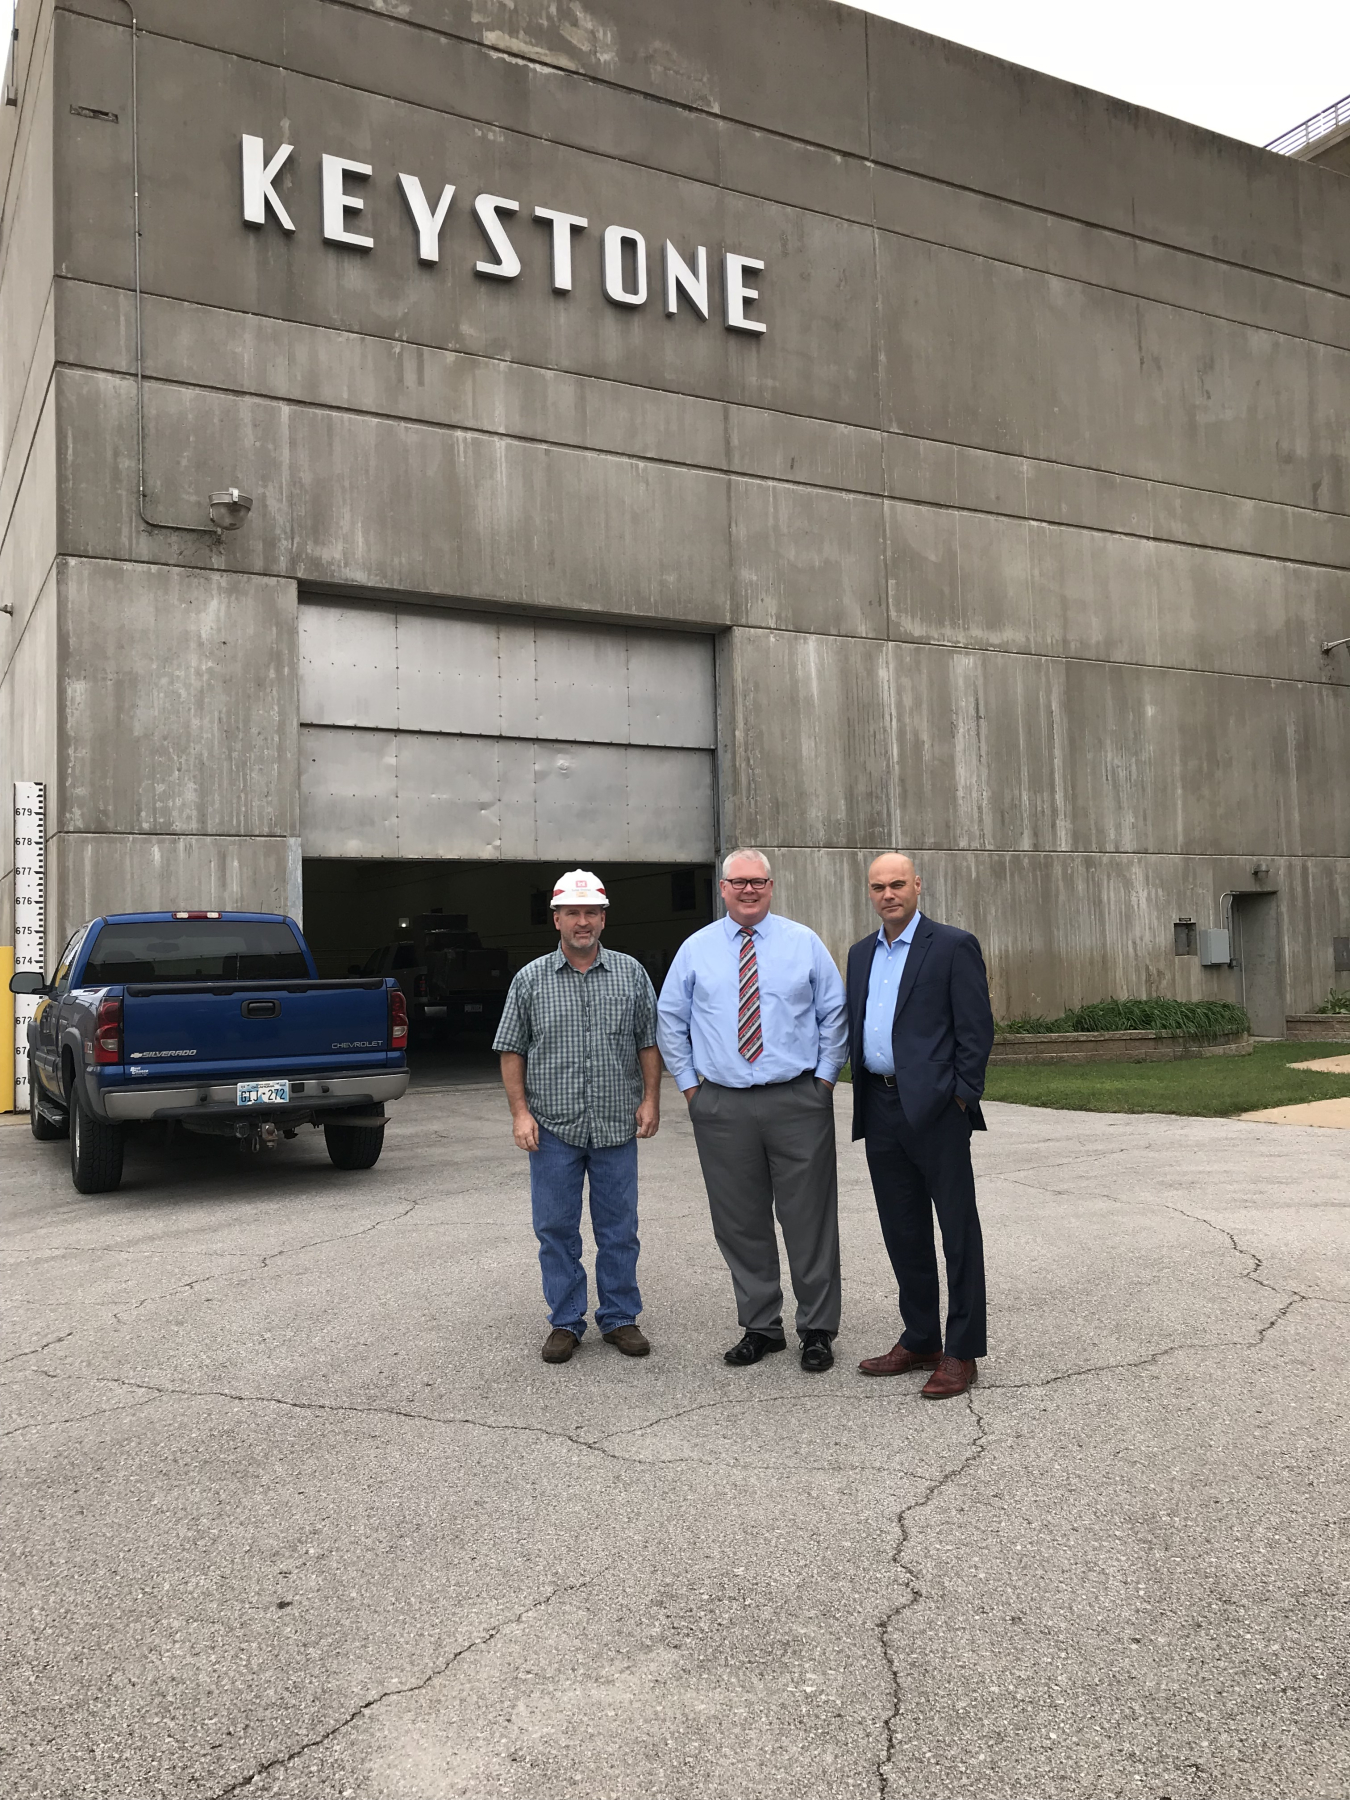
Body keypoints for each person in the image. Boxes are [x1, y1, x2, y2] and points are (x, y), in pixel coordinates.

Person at [657, 849, 847, 1373]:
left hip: (797, 1101)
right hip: (722, 1105)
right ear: (722, 888)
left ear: (771, 886)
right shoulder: (696, 949)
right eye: (737, 882)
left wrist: (825, 1079)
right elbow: (670, 1019)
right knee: (739, 1222)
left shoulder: (803, 942)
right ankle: (761, 1326)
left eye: (757, 882)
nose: (747, 890)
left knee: (809, 1219)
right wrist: (692, 1088)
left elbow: (834, 1012)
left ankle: (817, 1329)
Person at [493, 868, 661, 1365]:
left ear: (603, 918)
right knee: (555, 1228)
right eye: (573, 913)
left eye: (591, 912)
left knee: (618, 1229)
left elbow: (648, 1042)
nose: (582, 922)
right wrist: (520, 1114)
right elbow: (511, 1050)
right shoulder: (530, 980)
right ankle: (566, 1321)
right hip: (553, 1128)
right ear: (557, 919)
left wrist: (652, 1099)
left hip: (614, 1125)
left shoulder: (631, 974)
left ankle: (619, 1317)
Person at [845, 853, 995, 1400]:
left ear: (918, 886)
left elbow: (976, 1030)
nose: (888, 894)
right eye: (879, 887)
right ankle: (921, 1338)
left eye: (898, 884)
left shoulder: (952, 946)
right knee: (902, 1231)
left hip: (936, 1112)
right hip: (880, 1109)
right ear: (870, 892)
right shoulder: (860, 955)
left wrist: (959, 1097)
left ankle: (961, 1352)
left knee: (957, 1233)